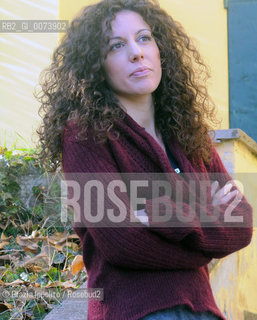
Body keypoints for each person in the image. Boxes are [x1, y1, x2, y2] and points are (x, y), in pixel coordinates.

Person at [36, 0, 253, 319]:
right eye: (116, 45)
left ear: (160, 48)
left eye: (144, 38)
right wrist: (206, 223)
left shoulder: (188, 133)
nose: (136, 53)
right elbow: (121, 243)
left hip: (204, 310)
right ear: (95, 65)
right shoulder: (85, 134)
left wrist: (157, 211)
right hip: (135, 310)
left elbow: (241, 224)